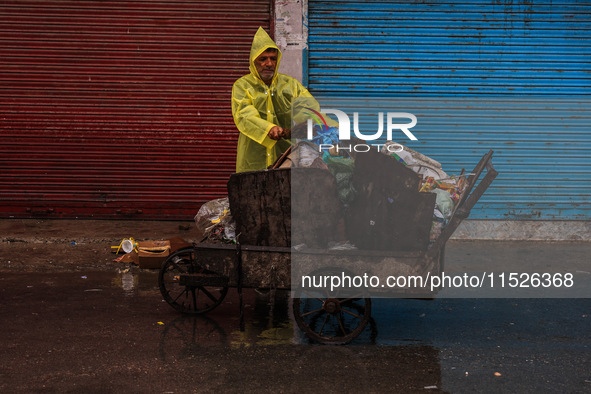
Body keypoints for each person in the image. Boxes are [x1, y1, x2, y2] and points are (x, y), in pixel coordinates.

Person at [231, 27, 320, 173]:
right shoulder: (242, 86)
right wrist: (267, 128)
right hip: (253, 157)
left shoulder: (289, 85)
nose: (269, 63)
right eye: (263, 59)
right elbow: (244, 114)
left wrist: (311, 123)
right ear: (254, 61)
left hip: (284, 156)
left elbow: (308, 107)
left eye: (273, 58)